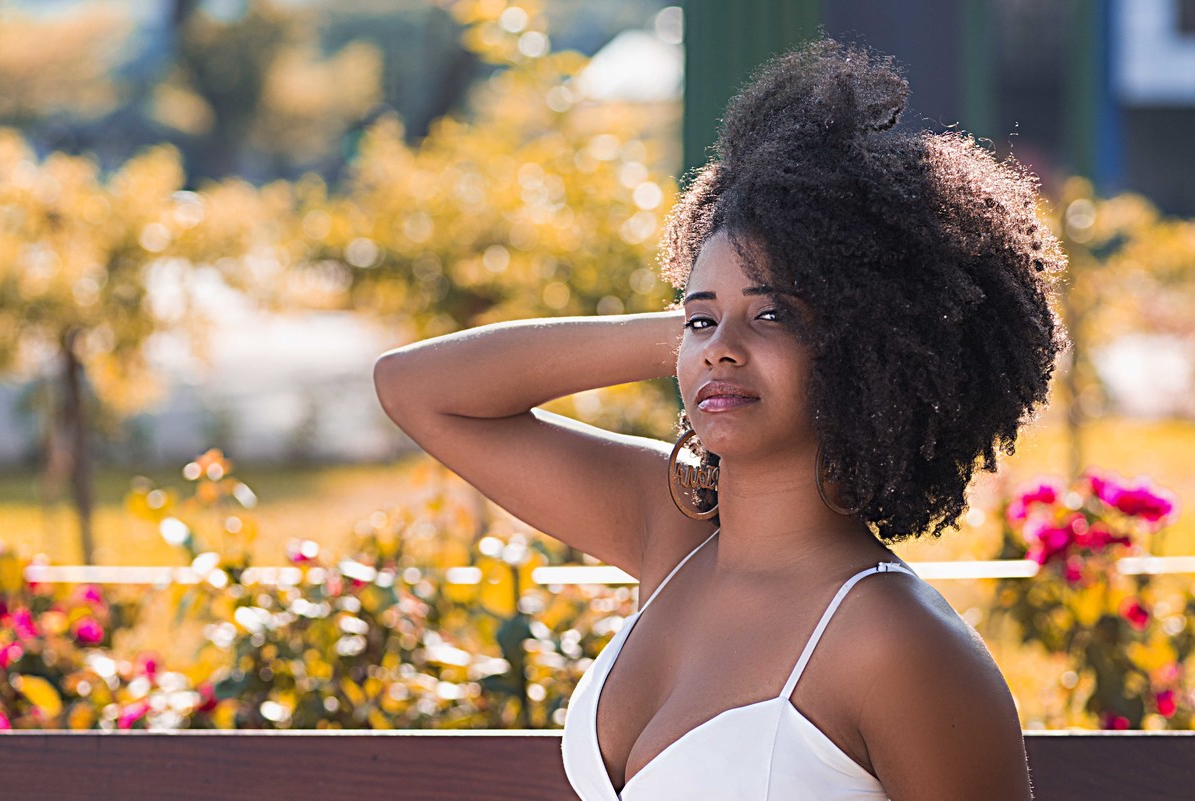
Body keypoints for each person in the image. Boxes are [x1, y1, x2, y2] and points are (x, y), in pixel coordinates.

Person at [373, 33, 1065, 801]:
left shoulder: (893, 640)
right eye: (698, 321)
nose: (721, 350)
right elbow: (415, 387)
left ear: (867, 348)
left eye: (776, 316)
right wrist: (710, 331)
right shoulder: (672, 531)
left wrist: (724, 326)